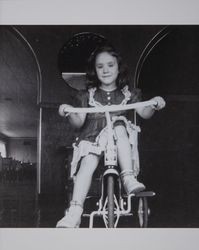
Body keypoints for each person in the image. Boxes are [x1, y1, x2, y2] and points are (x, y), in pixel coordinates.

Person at [56, 45, 166, 228]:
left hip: (118, 140)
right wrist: (68, 111)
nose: (105, 70)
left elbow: (144, 113)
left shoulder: (128, 94)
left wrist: (153, 104)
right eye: (100, 66)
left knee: (119, 126)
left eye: (110, 65)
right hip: (93, 139)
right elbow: (78, 121)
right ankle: (75, 211)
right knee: (88, 162)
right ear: (95, 70)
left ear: (118, 67)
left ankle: (128, 177)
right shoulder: (87, 95)